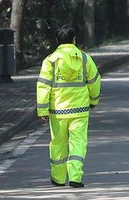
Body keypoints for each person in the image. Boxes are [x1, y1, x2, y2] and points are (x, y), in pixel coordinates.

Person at [36, 24, 101, 188]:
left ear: (57, 41)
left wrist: (42, 110)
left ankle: (58, 178)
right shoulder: (84, 58)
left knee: (58, 143)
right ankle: (75, 177)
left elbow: (43, 86)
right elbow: (95, 81)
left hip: (58, 111)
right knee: (78, 143)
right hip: (80, 109)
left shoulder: (50, 60)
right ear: (74, 40)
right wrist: (93, 100)